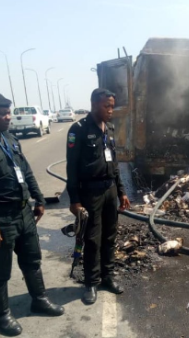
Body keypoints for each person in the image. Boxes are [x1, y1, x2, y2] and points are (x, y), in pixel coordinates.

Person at [0, 93, 64, 337]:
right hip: (0, 219)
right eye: (2, 113)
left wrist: (38, 199)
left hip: (23, 213)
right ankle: (2, 315)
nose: (9, 117)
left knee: (32, 260)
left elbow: (26, 172)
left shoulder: (11, 139)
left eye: (9, 112)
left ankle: (39, 300)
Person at [66, 88, 130, 305]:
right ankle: (91, 283)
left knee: (110, 236)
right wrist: (74, 200)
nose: (111, 110)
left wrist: (121, 191)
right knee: (92, 239)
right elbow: (72, 168)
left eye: (112, 106)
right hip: (90, 192)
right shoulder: (79, 129)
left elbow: (115, 164)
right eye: (107, 106)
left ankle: (107, 277)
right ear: (94, 104)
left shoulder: (109, 128)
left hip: (110, 190)